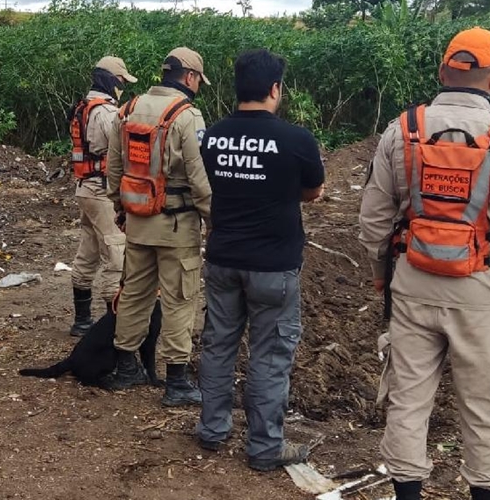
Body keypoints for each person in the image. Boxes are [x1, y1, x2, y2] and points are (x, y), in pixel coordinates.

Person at [359, 27, 490, 500]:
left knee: (407, 399)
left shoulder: (402, 130)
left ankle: (406, 493)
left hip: (412, 282)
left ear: (443, 69)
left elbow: (373, 222)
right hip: (481, 291)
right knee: (486, 407)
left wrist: (382, 277)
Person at [194, 48, 325, 472]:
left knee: (217, 346)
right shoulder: (297, 140)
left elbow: (213, 182)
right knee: (269, 356)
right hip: (273, 266)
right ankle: (265, 447)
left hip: (222, 259)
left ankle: (212, 430)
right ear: (274, 89)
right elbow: (313, 192)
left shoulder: (212, 136)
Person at [105, 47, 212, 407]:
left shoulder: (129, 109)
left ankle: (125, 368)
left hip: (138, 221)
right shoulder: (186, 116)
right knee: (181, 298)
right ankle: (177, 380)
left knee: (134, 292)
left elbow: (115, 168)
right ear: (191, 77)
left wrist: (121, 208)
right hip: (177, 226)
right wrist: (214, 220)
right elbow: (200, 179)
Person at [68, 56, 138, 336]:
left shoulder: (83, 107)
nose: (122, 87)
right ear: (111, 81)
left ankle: (82, 320)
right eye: (121, 81)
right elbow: (122, 147)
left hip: (85, 188)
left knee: (88, 251)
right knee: (116, 252)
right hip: (101, 191)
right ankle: (113, 324)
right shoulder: (106, 112)